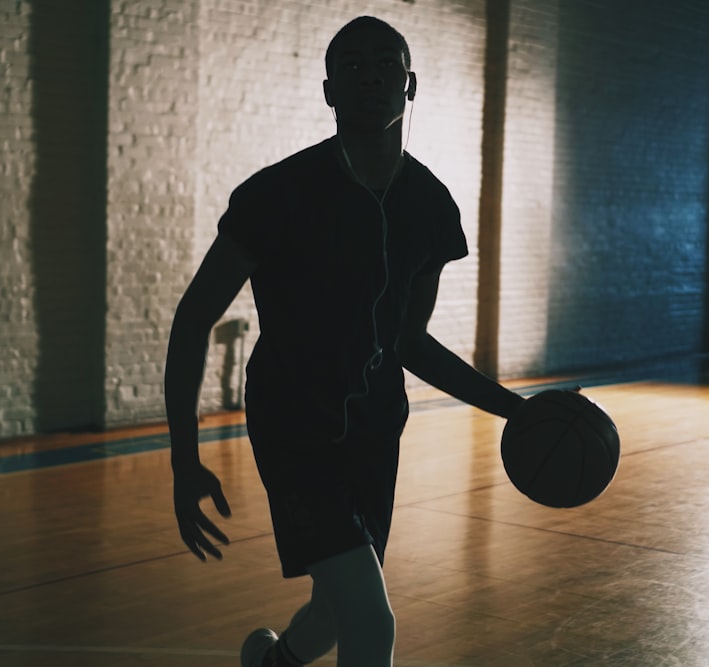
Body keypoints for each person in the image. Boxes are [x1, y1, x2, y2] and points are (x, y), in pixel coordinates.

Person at [165, 16, 525, 667]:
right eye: (353, 65)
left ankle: (272, 661)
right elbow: (193, 318)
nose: (371, 76)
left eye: (386, 64)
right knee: (371, 617)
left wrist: (519, 409)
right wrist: (182, 458)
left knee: (337, 606)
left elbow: (409, 341)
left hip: (375, 428)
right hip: (293, 425)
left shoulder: (431, 206)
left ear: (408, 84)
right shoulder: (275, 194)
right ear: (329, 89)